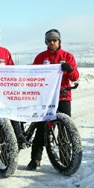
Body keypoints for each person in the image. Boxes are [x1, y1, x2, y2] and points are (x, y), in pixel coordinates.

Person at [27, 29, 80, 170]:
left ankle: (65, 158)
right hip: (45, 99)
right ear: (46, 42)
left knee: (64, 130)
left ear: (59, 41)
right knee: (41, 128)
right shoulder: (40, 57)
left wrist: (68, 69)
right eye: (49, 40)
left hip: (63, 97)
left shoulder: (68, 56)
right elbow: (33, 76)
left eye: (54, 40)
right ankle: (35, 159)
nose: (52, 42)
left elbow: (75, 77)